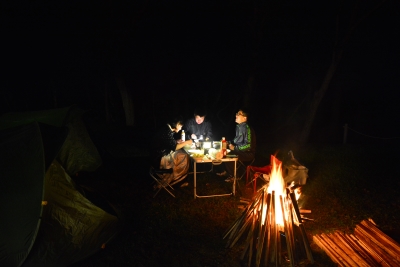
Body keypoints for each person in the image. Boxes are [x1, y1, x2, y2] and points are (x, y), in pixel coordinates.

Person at [151, 116, 193, 188]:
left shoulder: (168, 129)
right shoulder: (166, 131)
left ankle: (179, 178)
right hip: (160, 156)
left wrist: (176, 141)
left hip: (163, 152)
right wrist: (187, 142)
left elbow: (167, 143)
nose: (180, 128)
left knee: (183, 155)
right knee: (183, 156)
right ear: (176, 124)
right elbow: (175, 147)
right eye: (180, 126)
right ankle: (175, 181)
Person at [217, 108, 256, 182]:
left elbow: (248, 145)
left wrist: (235, 148)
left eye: (239, 114)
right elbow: (236, 140)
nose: (236, 115)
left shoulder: (247, 128)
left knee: (228, 155)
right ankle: (226, 171)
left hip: (248, 153)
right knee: (223, 149)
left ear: (245, 118)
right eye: (236, 114)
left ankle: (234, 176)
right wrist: (228, 142)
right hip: (240, 150)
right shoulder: (239, 127)